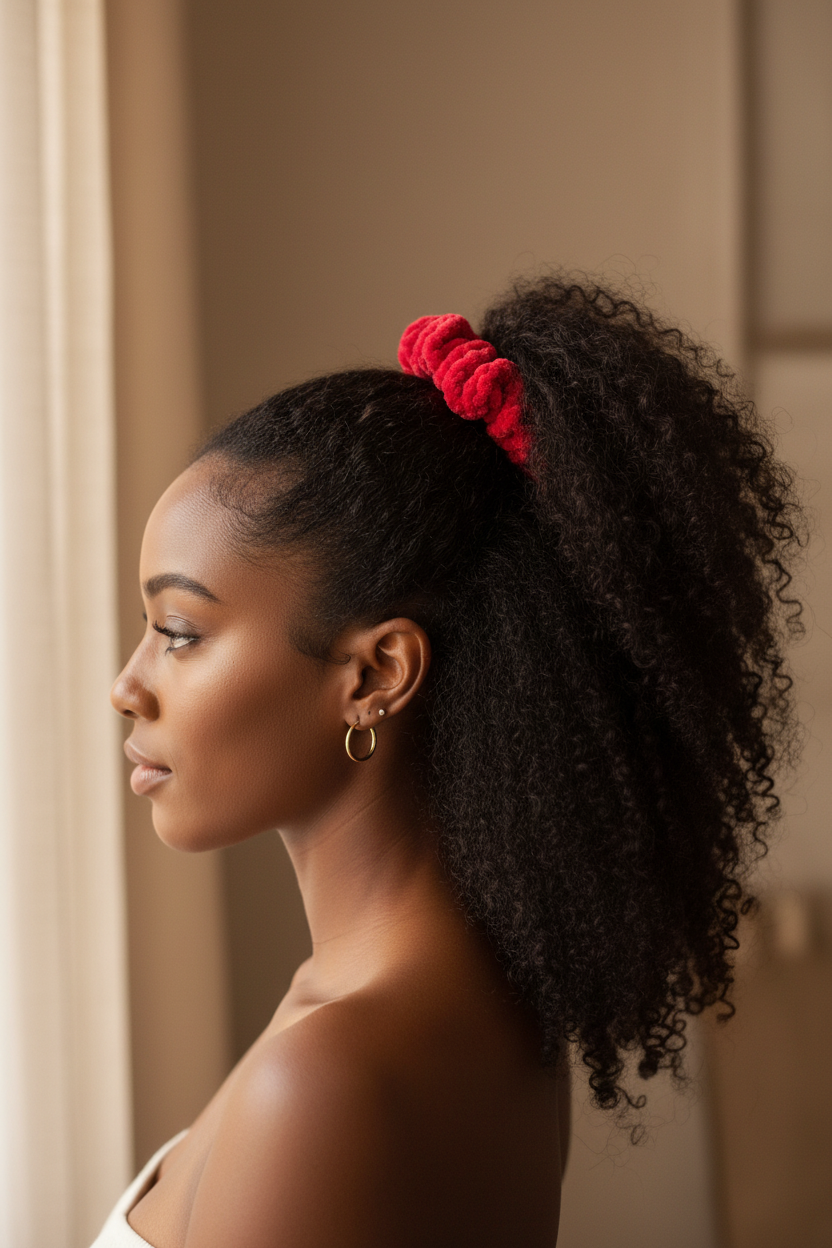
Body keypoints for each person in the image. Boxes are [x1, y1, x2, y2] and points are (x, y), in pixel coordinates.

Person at [96, 275, 806, 1248]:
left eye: (178, 631)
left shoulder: (330, 1079)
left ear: (375, 672)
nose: (126, 686)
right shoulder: (461, 1006)